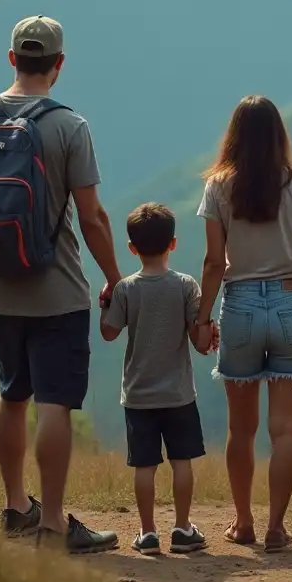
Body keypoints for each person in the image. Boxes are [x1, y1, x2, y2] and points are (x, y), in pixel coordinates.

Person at [0, 15, 123, 554]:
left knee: (11, 395)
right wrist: (115, 279)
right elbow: (91, 218)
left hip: (0, 289)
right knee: (55, 405)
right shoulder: (69, 126)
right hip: (59, 289)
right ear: (59, 65)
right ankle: (54, 525)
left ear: (12, 58)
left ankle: (17, 507)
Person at [193, 95, 292, 553]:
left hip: (240, 308)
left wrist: (201, 319)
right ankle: (276, 526)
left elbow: (215, 263)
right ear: (279, 136)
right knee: (285, 431)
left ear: (234, 135)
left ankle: (242, 522)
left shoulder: (218, 188)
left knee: (241, 429)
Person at [100, 202, 210, 556]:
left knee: (144, 466)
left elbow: (109, 333)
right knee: (182, 462)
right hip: (178, 393)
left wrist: (106, 302)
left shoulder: (126, 289)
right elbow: (199, 339)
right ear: (173, 244)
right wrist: (208, 328)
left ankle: (147, 533)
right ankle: (182, 528)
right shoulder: (186, 286)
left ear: (132, 248)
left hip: (138, 395)